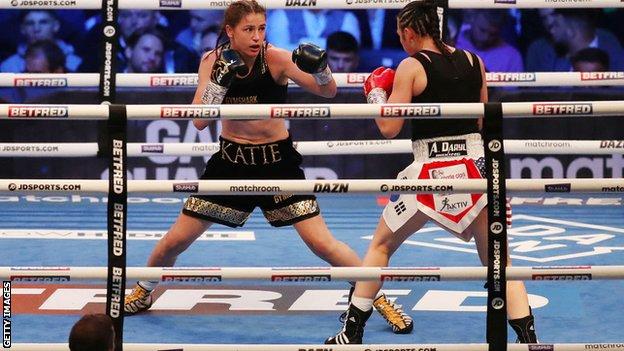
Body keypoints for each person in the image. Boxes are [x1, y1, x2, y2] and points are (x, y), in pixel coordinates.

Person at [124, 0, 412, 335]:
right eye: (248, 29)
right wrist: (219, 83)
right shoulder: (212, 62)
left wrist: (321, 67)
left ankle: (376, 298)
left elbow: (329, 91)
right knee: (174, 241)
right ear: (230, 31)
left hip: (277, 164)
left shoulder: (275, 57)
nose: (257, 36)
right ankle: (144, 291)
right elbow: (201, 121)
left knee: (323, 244)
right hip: (231, 164)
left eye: (261, 28)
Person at [325, 1, 538, 344]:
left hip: (430, 170)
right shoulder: (474, 61)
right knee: (500, 260)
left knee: (380, 246)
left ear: (409, 32)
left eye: (400, 35)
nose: (401, 41)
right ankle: (530, 339)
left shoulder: (411, 66)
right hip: (474, 168)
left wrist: (376, 94)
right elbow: (482, 122)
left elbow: (389, 127)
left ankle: (351, 332)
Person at [0, 10, 81, 72]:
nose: (36, 29)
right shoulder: (8, 67)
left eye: (43, 22)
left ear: (56, 26)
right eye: (30, 23)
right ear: (22, 29)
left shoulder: (75, 63)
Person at [455, 10, 523, 72]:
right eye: (482, 30)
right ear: (472, 19)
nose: (485, 38)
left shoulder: (512, 57)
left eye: (493, 34)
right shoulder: (452, 43)